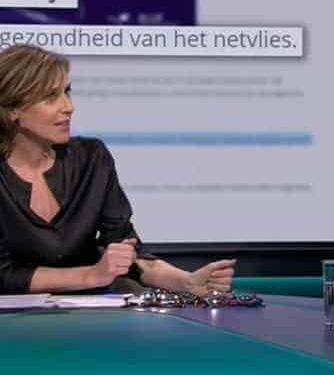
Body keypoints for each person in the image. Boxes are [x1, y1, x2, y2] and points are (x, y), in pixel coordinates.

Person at [0, 44, 236, 296]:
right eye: (50, 97)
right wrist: (90, 275)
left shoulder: (91, 158)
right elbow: (3, 275)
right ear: (13, 110)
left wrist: (186, 282)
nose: (68, 106)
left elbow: (127, 249)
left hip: (90, 309)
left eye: (67, 92)